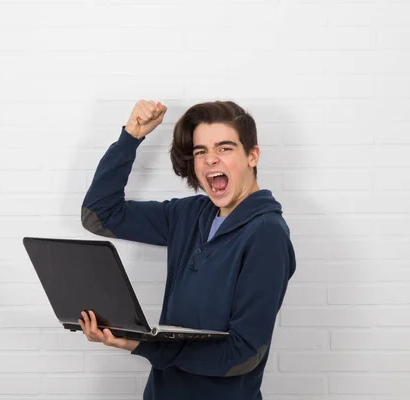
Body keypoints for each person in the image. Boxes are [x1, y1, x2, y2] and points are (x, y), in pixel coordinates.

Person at [78, 99, 296, 400]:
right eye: (200, 151)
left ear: (252, 156)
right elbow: (99, 214)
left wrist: (140, 344)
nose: (210, 160)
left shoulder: (267, 234)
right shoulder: (189, 215)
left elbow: (244, 354)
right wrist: (131, 136)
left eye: (225, 148)